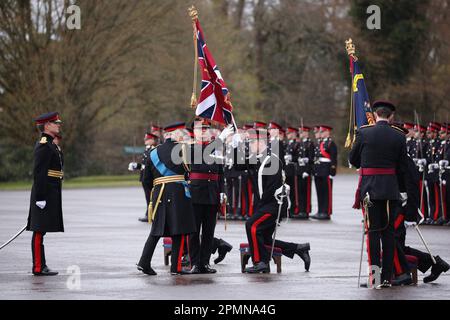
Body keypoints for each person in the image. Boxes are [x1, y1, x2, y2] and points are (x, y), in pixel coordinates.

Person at [349, 101, 409, 289]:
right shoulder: (399, 136)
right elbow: (402, 167)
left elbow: (353, 159)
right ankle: (386, 278)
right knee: (389, 234)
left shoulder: (364, 132)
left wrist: (365, 162)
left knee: (373, 233)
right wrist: (402, 190)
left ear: (375, 115)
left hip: (369, 190)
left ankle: (374, 277)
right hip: (391, 190)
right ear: (390, 116)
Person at [137, 122, 197, 276]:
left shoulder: (153, 153)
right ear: (177, 135)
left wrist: (157, 188)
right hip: (178, 193)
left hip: (159, 193)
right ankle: (176, 267)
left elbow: (146, 180)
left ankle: (144, 262)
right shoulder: (184, 149)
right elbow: (191, 169)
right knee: (180, 230)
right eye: (182, 134)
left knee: (156, 231)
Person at [187, 119, 233, 274]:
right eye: (200, 129)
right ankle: (194, 263)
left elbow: (220, 173)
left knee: (208, 232)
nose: (204, 131)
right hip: (195, 193)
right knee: (193, 232)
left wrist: (222, 191)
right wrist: (220, 140)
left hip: (212, 194)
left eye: (206, 128)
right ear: (194, 131)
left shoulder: (216, 150)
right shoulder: (190, 148)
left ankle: (205, 263)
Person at [27, 112, 64, 276]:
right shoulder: (44, 145)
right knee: (39, 230)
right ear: (47, 125)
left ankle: (41, 264)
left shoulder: (51, 144)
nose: (58, 125)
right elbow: (39, 173)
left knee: (41, 230)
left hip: (50, 191)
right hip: (44, 192)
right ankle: (38, 267)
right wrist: (40, 197)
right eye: (55, 123)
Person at [129, 132, 159, 222]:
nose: (145, 140)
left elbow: (151, 165)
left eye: (147, 139)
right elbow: (144, 164)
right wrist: (136, 166)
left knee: (151, 197)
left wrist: (143, 166)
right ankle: (148, 214)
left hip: (150, 178)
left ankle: (151, 214)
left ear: (153, 140)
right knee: (148, 197)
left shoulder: (154, 149)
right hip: (144, 177)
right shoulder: (147, 149)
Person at [311, 125, 337, 220]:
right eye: (320, 132)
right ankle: (320, 211)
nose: (320, 133)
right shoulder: (320, 143)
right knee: (320, 192)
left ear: (327, 132)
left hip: (326, 171)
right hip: (319, 170)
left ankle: (326, 212)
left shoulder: (331, 144)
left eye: (322, 132)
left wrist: (332, 172)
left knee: (326, 193)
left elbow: (333, 159)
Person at [296, 126, 314, 219]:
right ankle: (301, 210)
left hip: (306, 171)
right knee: (300, 192)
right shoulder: (301, 143)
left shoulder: (309, 144)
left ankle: (306, 211)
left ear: (306, 133)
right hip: (300, 170)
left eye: (302, 132)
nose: (300, 134)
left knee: (306, 192)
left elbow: (311, 158)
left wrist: (307, 170)